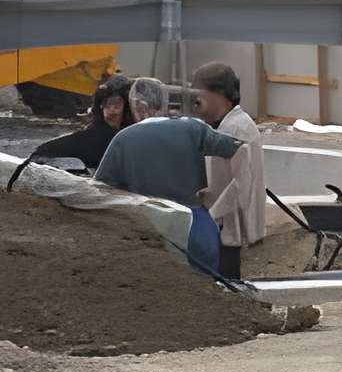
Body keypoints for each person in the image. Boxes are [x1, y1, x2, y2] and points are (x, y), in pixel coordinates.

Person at [95, 77, 246, 277]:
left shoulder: (123, 139)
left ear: (137, 106)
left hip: (152, 230)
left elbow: (98, 190)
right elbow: (237, 148)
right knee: (209, 296)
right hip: (198, 230)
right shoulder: (193, 128)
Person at [187, 60, 270, 258]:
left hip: (227, 228)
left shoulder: (236, 128)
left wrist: (212, 216)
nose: (195, 100)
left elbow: (242, 183)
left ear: (218, 94)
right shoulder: (227, 125)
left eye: (199, 93)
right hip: (222, 224)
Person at [7, 78, 130, 186]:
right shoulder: (100, 138)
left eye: (117, 105)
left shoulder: (125, 135)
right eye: (107, 105)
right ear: (100, 106)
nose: (112, 111)